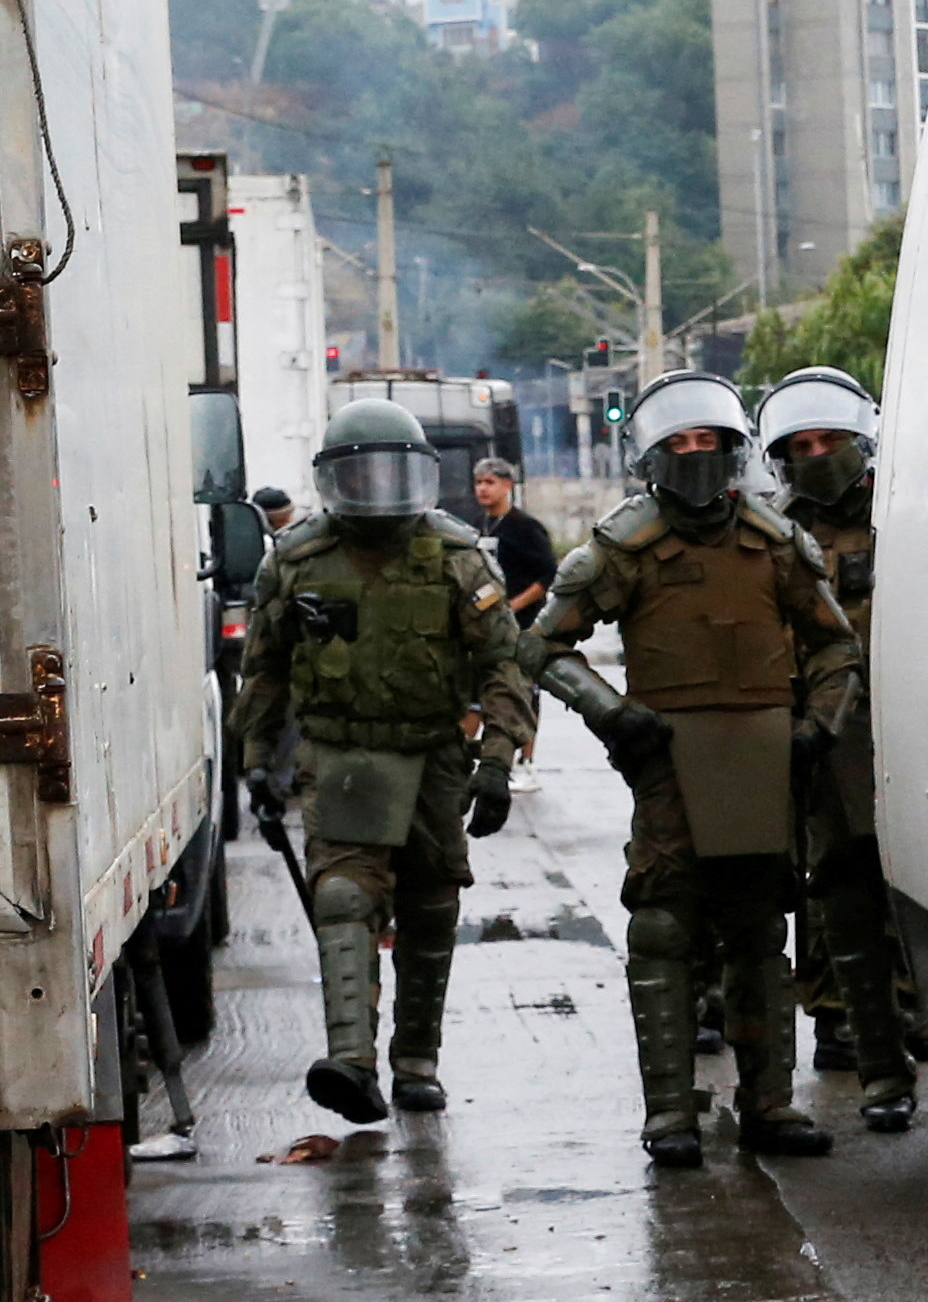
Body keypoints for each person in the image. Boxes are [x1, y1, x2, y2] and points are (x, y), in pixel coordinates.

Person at [529, 371, 859, 1167]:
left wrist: (817, 726)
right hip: (669, 767)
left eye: (707, 441)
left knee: (757, 932)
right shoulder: (625, 546)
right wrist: (611, 712)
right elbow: (540, 644)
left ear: (732, 448)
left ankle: (770, 1106)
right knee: (664, 927)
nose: (695, 456)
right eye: (678, 443)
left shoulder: (774, 541)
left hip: (761, 760)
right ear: (651, 455)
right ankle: (671, 1114)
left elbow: (834, 643)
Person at [223, 400, 534, 1123]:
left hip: (432, 759)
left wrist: (495, 761)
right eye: (361, 472)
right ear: (335, 478)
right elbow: (264, 670)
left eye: (390, 471)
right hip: (341, 756)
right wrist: (256, 761)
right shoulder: (297, 561)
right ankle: (351, 1063)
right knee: (342, 898)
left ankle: (416, 1060)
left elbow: (502, 664)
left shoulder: (457, 557)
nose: (377, 487)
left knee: (429, 909)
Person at [754, 368, 919, 1133]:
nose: (818, 456)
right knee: (846, 905)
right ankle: (881, 1072)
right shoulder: (773, 535)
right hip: (828, 741)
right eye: (801, 446)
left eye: (830, 440)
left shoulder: (912, 512)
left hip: (925, 733)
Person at [465, 455, 556, 621]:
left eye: (489, 482)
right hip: (489, 618)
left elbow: (548, 575)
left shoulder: (526, 527)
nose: (482, 488)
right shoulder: (477, 524)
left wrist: (513, 606)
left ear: (507, 485)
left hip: (524, 620)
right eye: (478, 482)